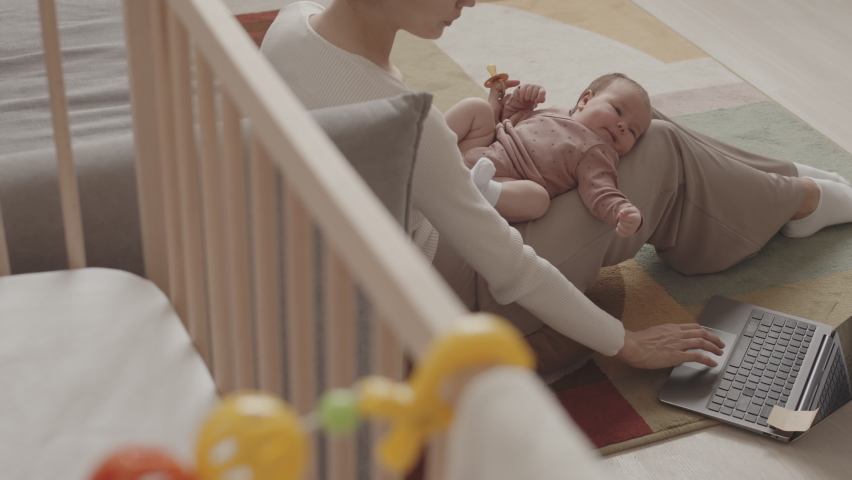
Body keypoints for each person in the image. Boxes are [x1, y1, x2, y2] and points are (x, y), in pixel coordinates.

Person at [260, 0, 852, 373]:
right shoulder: (403, 122)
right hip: (457, 298)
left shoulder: (292, 25)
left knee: (620, 123)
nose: (470, 2)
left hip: (379, 263)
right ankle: (800, 199)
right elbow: (511, 268)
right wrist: (625, 343)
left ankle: (786, 183)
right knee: (655, 146)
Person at [445, 74, 650, 233]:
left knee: (538, 200)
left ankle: (479, 191)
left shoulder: (598, 153)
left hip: (504, 181)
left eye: (633, 131)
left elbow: (601, 189)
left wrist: (621, 211)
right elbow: (511, 122)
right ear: (585, 100)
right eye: (618, 111)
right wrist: (521, 101)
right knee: (477, 107)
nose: (623, 126)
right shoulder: (556, 111)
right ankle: (430, 141)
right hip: (481, 151)